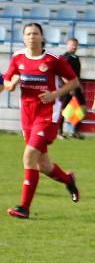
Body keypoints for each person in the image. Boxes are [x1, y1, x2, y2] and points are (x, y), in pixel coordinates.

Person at [1, 22, 80, 219]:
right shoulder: (18, 57)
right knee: (43, 165)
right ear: (23, 37)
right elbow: (7, 82)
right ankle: (68, 180)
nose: (31, 37)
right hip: (27, 115)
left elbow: (73, 82)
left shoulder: (53, 59)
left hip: (47, 114)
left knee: (28, 157)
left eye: (35, 34)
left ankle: (24, 208)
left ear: (42, 37)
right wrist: (11, 84)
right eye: (28, 34)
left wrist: (55, 94)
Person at [58, 37, 86, 139]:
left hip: (76, 86)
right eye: (72, 44)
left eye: (75, 45)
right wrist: (69, 87)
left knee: (82, 107)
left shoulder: (76, 58)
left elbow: (76, 74)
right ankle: (59, 132)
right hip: (67, 87)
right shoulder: (65, 57)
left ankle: (75, 131)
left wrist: (80, 86)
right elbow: (62, 74)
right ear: (67, 45)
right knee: (63, 109)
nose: (74, 46)